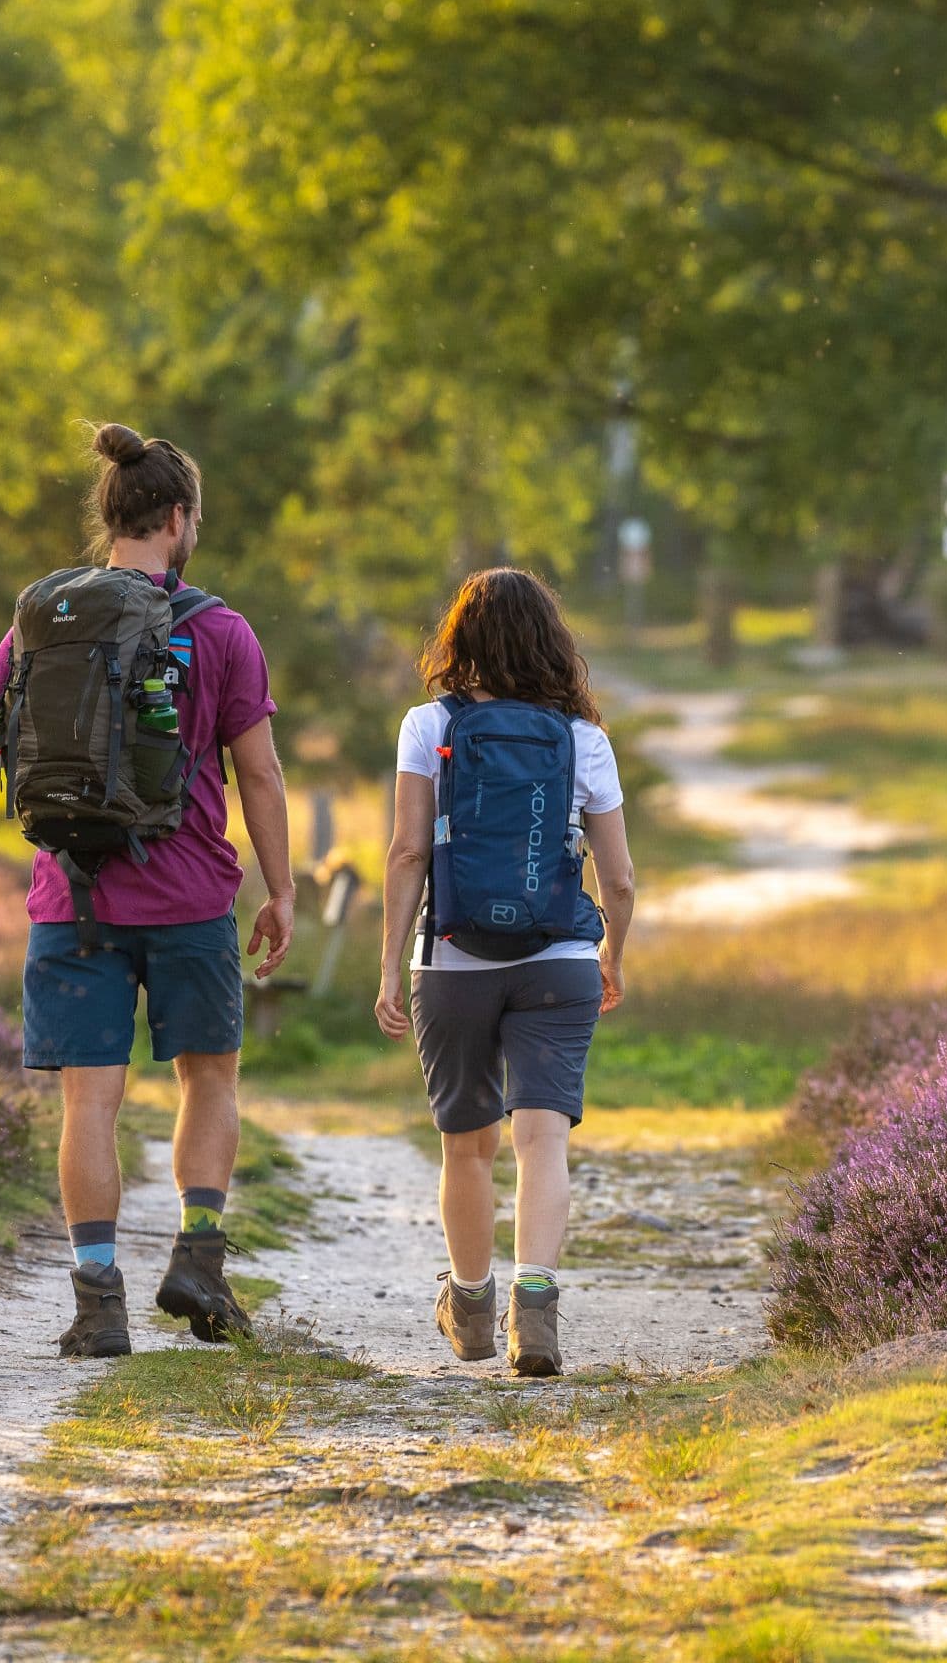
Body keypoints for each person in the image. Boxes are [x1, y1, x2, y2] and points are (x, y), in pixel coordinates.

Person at [0, 424, 294, 1358]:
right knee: (208, 1078)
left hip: (73, 895)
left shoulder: (41, 615)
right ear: (178, 520)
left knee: (89, 1103)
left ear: (110, 515)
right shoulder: (220, 629)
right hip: (187, 895)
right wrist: (282, 889)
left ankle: (98, 1303)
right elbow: (259, 774)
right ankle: (197, 1258)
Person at [374, 568, 635, 1377]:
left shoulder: (428, 725)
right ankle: (538, 1312)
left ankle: (474, 1305)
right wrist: (612, 955)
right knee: (542, 1139)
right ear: (551, 644)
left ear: (460, 641)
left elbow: (410, 852)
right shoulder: (582, 741)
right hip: (560, 961)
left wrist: (391, 966)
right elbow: (619, 879)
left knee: (466, 1145)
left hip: (451, 959)